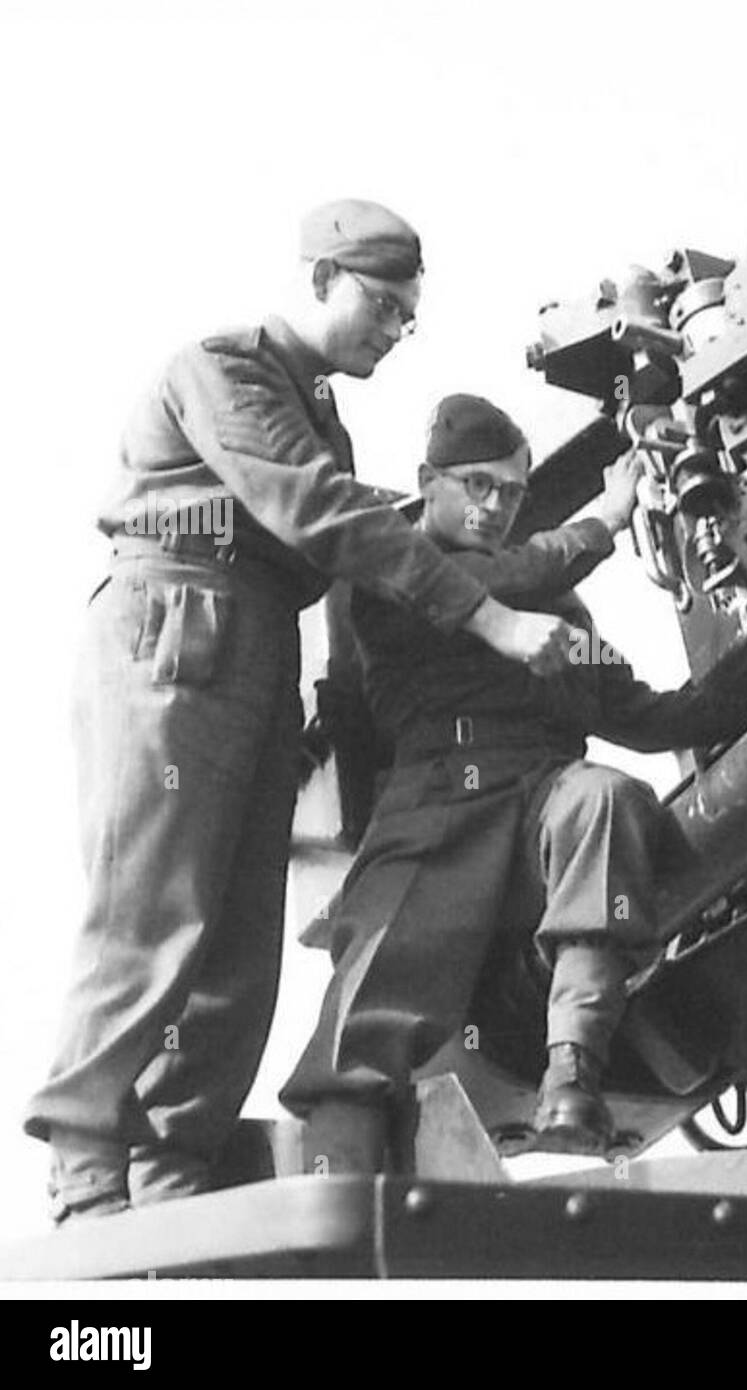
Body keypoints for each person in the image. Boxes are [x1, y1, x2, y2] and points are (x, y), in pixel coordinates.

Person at [24, 201, 603, 1223]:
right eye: (382, 304)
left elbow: (381, 523)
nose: (393, 328)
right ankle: (85, 1172)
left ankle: (167, 1178)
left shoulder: (319, 415)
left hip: (252, 653)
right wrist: (492, 620)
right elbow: (326, 514)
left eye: (408, 316)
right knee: (155, 913)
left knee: (237, 948)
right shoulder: (228, 368)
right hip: (177, 627)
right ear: (319, 279)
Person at [280, 393, 747, 1162]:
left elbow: (635, 711)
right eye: (478, 486)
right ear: (428, 481)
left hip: (543, 797)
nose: (496, 506)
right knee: (371, 999)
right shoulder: (392, 565)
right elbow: (502, 577)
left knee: (606, 798)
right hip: (436, 806)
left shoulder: (556, 605)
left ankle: (571, 1078)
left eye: (511, 491)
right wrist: (606, 516)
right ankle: (337, 1178)